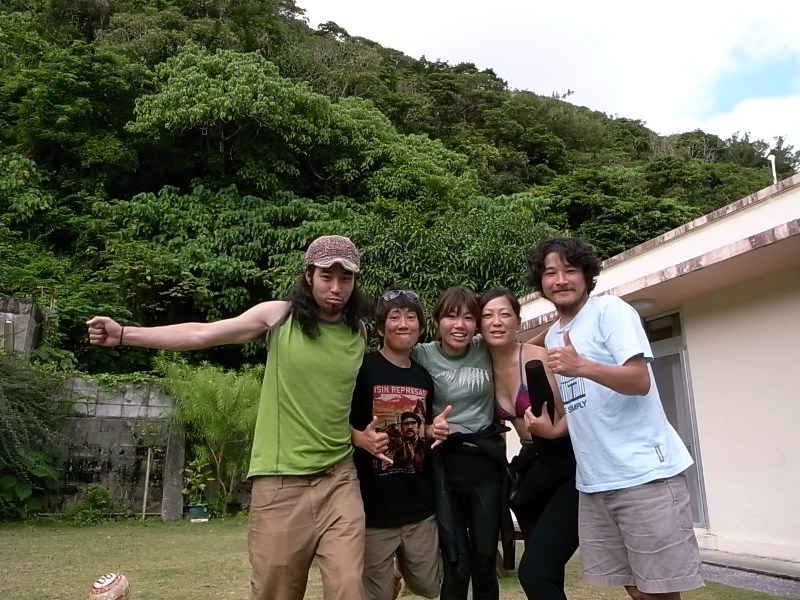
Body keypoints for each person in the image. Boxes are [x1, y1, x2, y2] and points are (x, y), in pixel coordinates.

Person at [86, 235, 371, 600]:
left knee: (349, 587)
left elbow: (335, 404)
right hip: (281, 482)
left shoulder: (358, 333)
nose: (336, 287)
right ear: (308, 276)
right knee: (275, 592)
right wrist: (125, 334)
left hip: (339, 480)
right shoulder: (279, 317)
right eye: (326, 276)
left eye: (345, 278)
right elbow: (202, 333)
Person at [526, 237, 703, 600]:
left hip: (643, 476)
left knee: (660, 592)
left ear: (587, 275)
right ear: (540, 282)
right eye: (550, 272)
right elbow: (584, 404)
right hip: (595, 483)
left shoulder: (611, 311)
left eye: (570, 270)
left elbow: (639, 381)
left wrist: (583, 366)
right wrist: (554, 428)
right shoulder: (557, 334)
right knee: (636, 590)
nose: (560, 280)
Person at [411, 286, 514, 600]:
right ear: (438, 320)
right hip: (443, 466)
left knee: (485, 560)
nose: (460, 325)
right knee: (457, 562)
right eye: (451, 316)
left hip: (484, 464)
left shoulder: (485, 347)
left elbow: (518, 350)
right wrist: (425, 427)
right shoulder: (421, 353)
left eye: (469, 318)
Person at [479, 288, 579, 600]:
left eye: (504, 314)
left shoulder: (538, 359)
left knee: (533, 572)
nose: (496, 322)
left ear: (518, 321)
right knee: (549, 578)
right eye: (487, 316)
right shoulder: (483, 367)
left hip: (568, 466)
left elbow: (580, 410)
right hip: (533, 472)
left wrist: (552, 432)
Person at [350, 287, 449, 600]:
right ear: (381, 328)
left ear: (420, 327)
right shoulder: (363, 371)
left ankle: (400, 576)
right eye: (395, 317)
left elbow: (417, 428)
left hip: (419, 505)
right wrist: (359, 438)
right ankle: (390, 578)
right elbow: (337, 421)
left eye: (411, 317)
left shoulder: (423, 378)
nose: (404, 324)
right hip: (374, 509)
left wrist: (432, 431)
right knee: (375, 595)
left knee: (429, 586)